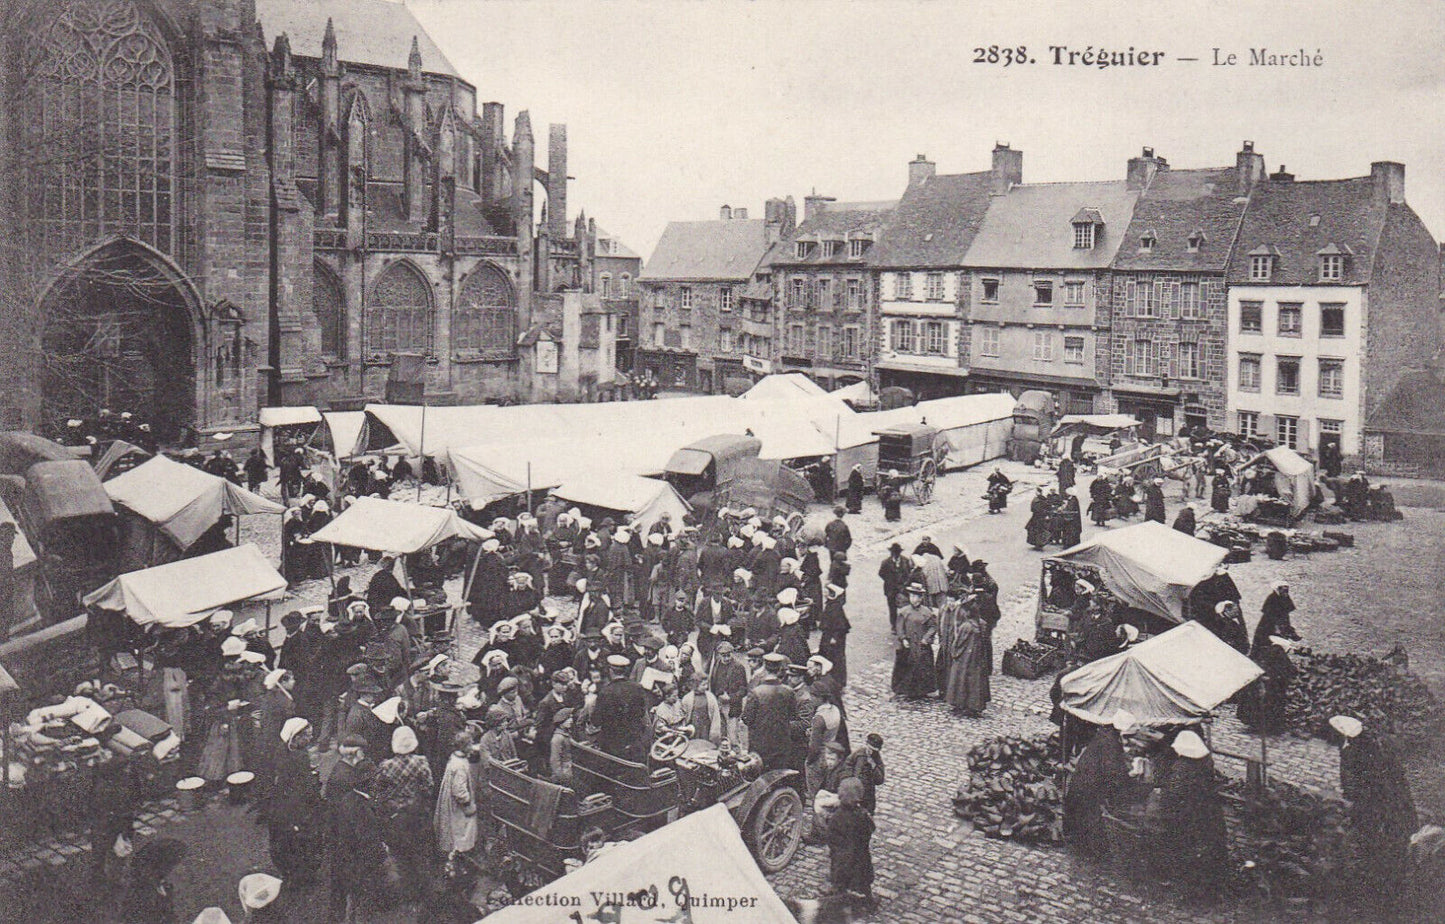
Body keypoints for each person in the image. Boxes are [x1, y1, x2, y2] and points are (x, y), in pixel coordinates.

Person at [1332, 715, 1418, 902]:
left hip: (1376, 807)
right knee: (1393, 843)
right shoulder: (1378, 746)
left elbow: (1351, 788)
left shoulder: (1352, 753)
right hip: (1394, 805)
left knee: (1375, 843)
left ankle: (1378, 887)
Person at [1155, 730, 1230, 904]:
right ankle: (1215, 888)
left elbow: (1171, 796)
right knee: (1210, 850)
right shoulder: (1206, 762)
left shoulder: (1182, 768)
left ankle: (1192, 895)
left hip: (1189, 817)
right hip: (1209, 813)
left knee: (1189, 854)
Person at [374, 725, 434, 900]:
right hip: (417, 812)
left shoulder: (386, 766)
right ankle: (423, 889)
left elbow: (379, 791)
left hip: (396, 815)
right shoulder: (421, 762)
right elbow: (428, 787)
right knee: (420, 850)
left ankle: (406, 890)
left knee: (401, 852)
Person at [1063, 710, 1133, 857]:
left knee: (1082, 810)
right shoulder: (1110, 742)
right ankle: (1094, 850)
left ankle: (1078, 839)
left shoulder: (1105, 734)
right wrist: (1125, 779)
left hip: (1086, 777)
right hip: (1091, 782)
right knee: (1090, 813)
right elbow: (1111, 768)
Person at [267, 718, 322, 884]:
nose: (310, 739)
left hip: (281, 809)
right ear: (296, 737)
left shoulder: (282, 751)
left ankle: (290, 873)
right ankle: (302, 877)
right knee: (302, 843)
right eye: (307, 736)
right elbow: (303, 788)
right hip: (295, 810)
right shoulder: (299, 758)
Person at [825, 777, 878, 911]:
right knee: (863, 881)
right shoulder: (862, 815)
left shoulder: (836, 817)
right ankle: (869, 903)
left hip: (841, 856)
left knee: (840, 880)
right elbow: (870, 830)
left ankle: (837, 903)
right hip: (860, 856)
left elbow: (830, 836)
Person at [743, 653, 800, 772]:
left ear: (764, 667)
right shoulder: (788, 692)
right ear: (780, 669)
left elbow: (747, 719)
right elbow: (793, 716)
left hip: (759, 745)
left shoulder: (756, 692)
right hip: (781, 744)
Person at [938, 588, 990, 717]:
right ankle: (974, 705)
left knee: (960, 680)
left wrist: (954, 652)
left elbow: (958, 644)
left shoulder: (965, 627)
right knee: (975, 681)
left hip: (964, 659)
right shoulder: (982, 624)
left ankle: (960, 703)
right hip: (977, 659)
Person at [593, 654, 650, 762]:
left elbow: (596, 721)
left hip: (612, 744)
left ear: (610, 671)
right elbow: (642, 712)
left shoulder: (605, 692)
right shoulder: (637, 688)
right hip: (634, 740)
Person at [435, 731, 479, 867]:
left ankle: (455, 855)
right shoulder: (460, 766)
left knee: (452, 829)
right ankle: (458, 858)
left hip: (449, 800)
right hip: (457, 806)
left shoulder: (454, 758)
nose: (472, 747)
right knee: (460, 830)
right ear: (464, 746)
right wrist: (468, 804)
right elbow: (459, 791)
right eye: (470, 744)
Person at [1237, 636, 1297, 734]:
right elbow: (1289, 669)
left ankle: (1255, 724)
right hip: (1271, 686)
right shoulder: (1279, 654)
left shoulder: (1266, 652)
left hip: (1259, 684)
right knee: (1271, 706)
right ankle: (1268, 727)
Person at [892, 583, 937, 700]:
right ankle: (905, 689)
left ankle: (921, 690)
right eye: (911, 596)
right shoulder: (904, 611)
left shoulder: (927, 612)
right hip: (909, 644)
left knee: (922, 666)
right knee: (907, 665)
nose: (913, 599)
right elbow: (899, 627)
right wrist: (903, 639)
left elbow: (933, 627)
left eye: (916, 597)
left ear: (921, 598)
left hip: (921, 644)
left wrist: (926, 638)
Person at [1253, 581, 1301, 656]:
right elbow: (1271, 619)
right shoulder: (1272, 600)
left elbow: (1286, 616)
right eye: (1284, 590)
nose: (1286, 593)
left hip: (1279, 628)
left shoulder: (1284, 599)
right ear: (1278, 589)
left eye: (1287, 591)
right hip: (1269, 629)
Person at [877, 544, 909, 631]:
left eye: (897, 553)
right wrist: (889, 580)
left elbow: (908, 573)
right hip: (890, 589)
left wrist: (904, 583)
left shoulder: (906, 561)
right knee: (892, 608)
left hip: (902, 588)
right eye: (894, 553)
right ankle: (894, 626)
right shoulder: (885, 562)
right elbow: (881, 573)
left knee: (904, 607)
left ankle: (904, 625)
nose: (895, 555)